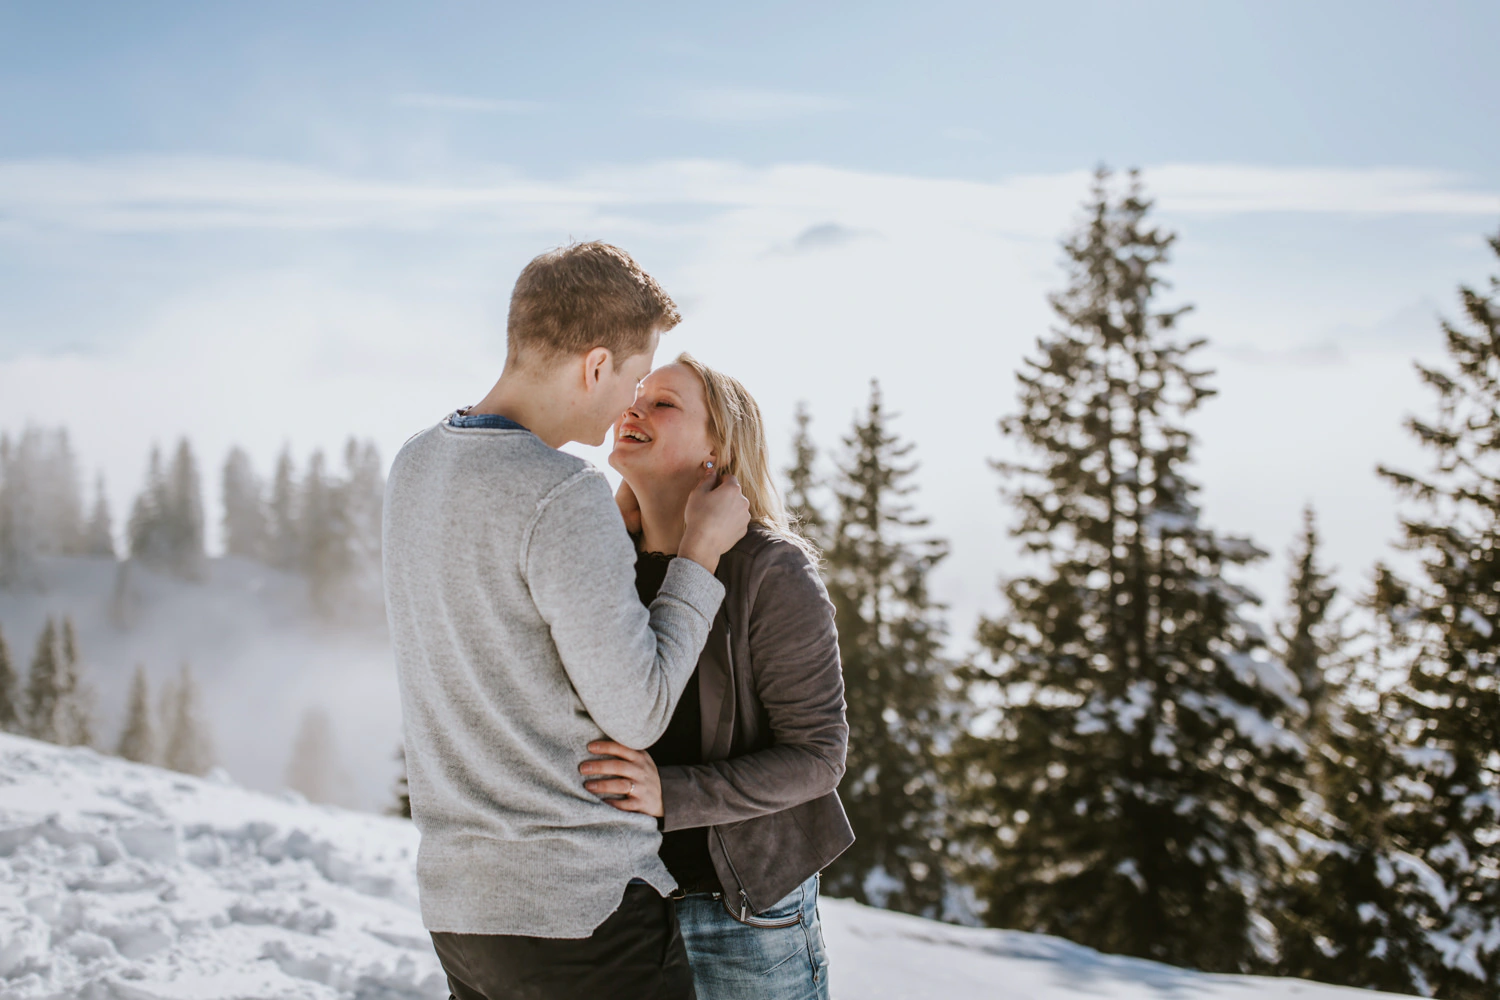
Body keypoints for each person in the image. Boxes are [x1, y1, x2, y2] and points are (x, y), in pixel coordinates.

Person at [383, 243, 751, 1000]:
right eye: (631, 376)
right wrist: (700, 556)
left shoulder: (414, 465)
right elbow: (639, 711)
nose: (630, 403)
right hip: (582, 914)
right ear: (593, 366)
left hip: (464, 914)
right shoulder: (562, 494)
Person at [579, 354, 854, 1000]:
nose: (633, 408)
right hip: (623, 911)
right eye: (635, 395)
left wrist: (670, 794)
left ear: (718, 451)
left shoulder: (771, 572)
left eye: (664, 403)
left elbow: (819, 758)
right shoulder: (600, 562)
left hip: (741, 918)